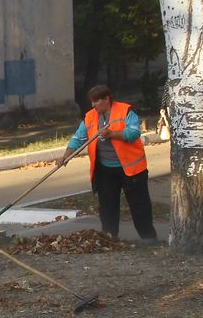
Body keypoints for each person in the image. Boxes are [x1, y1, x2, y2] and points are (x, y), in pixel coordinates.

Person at [58, 84, 157, 244]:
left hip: (131, 169)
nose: (93, 105)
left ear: (107, 99)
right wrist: (66, 155)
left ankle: (148, 238)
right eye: (92, 102)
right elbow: (78, 137)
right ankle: (110, 237)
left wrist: (112, 134)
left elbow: (133, 133)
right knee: (107, 206)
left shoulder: (125, 111)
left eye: (96, 101)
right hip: (105, 170)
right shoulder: (90, 117)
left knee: (139, 204)